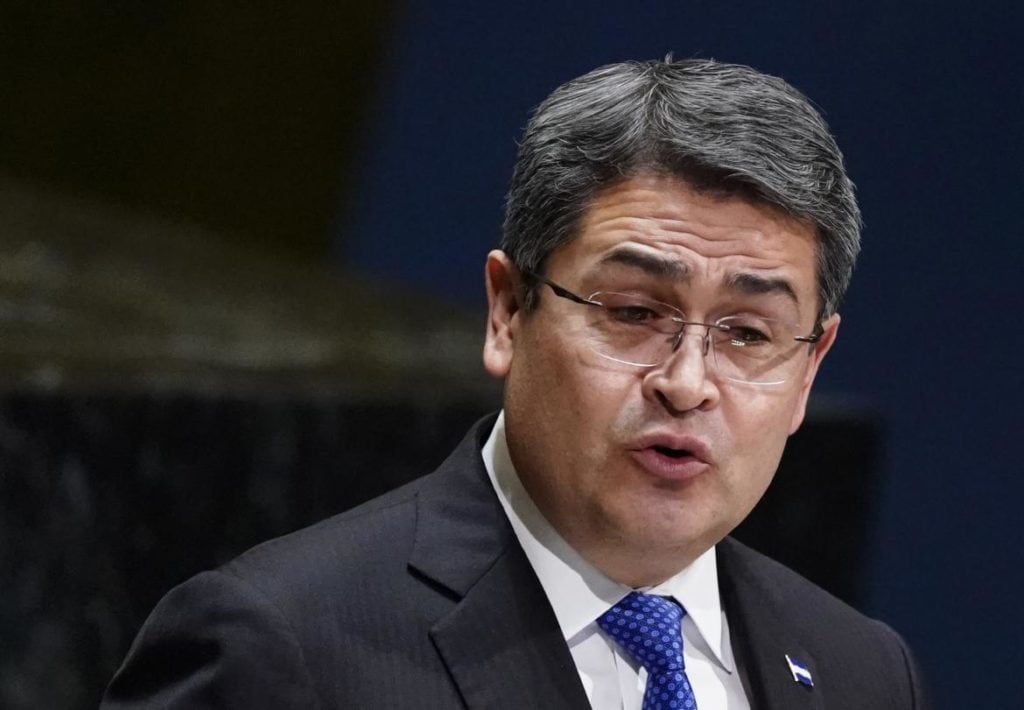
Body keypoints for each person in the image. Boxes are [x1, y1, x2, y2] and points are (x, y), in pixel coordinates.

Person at [103, 58, 928, 709]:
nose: (686, 383)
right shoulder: (276, 648)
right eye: (634, 312)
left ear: (810, 367)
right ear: (506, 311)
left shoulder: (863, 672)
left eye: (747, 333)